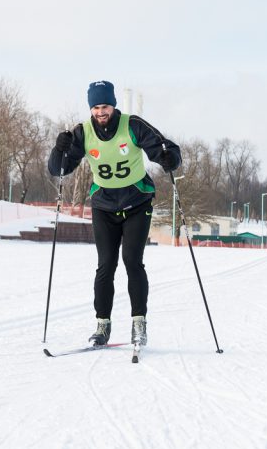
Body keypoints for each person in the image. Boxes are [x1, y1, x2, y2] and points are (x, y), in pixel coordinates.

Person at [48, 80, 182, 348]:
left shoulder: (132, 125)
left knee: (132, 260)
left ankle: (139, 324)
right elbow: (58, 169)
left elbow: (166, 149)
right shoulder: (83, 132)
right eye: (96, 107)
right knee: (105, 265)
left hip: (137, 202)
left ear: (113, 105)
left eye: (105, 106)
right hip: (104, 205)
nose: (101, 112)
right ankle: (102, 326)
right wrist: (59, 148)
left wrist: (170, 159)